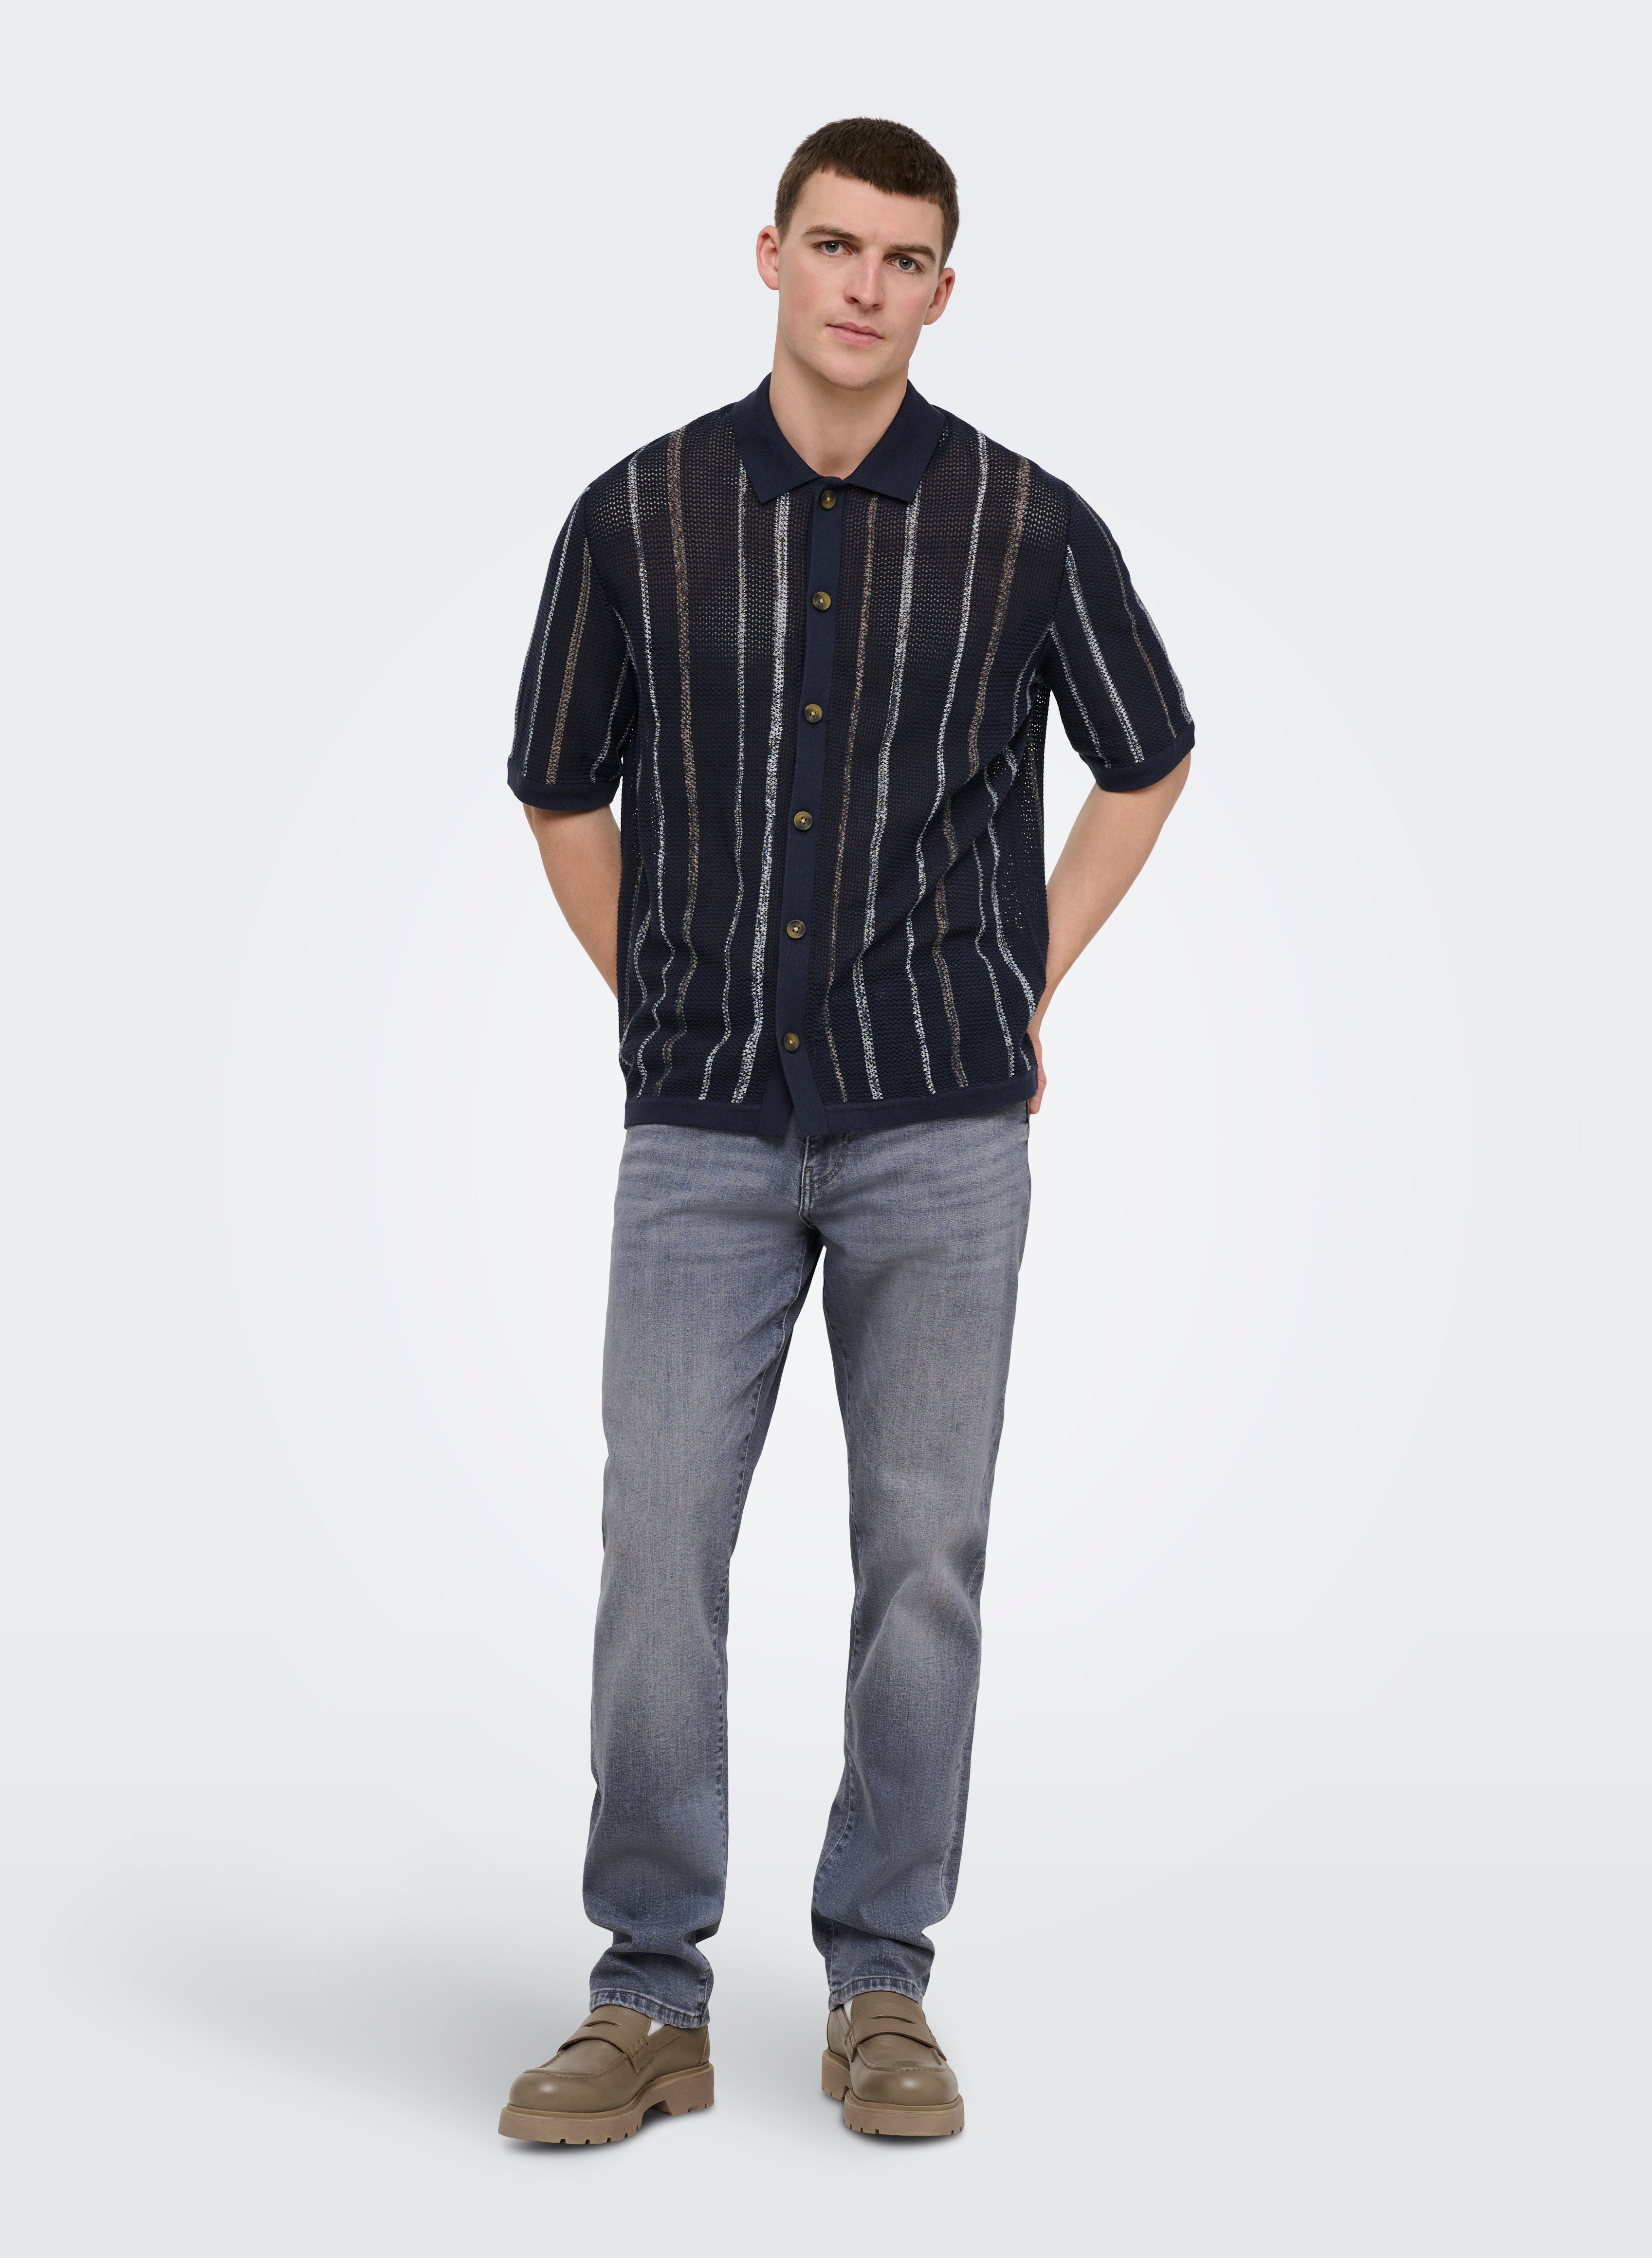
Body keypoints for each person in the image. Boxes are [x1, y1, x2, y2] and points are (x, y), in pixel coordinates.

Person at [497, 116, 1192, 2146]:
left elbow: (1147, 757)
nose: (865, 286)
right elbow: (558, 785)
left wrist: (1026, 976)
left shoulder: (1026, 525)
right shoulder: (635, 515)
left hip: (940, 1130)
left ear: (942, 291)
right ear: (772, 256)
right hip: (702, 1128)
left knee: (924, 1557)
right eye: (834, 245)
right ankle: (649, 1992)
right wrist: (660, 998)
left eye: (904, 258)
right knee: (657, 1543)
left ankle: (883, 1979)